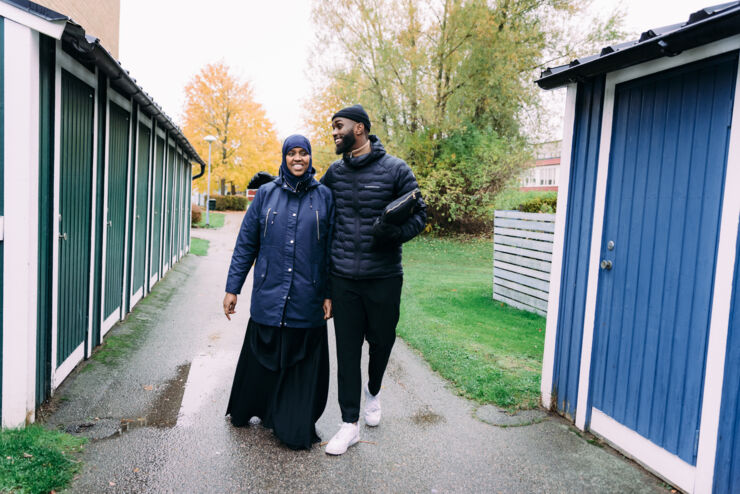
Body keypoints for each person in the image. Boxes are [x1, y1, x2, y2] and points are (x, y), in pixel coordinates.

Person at [321, 104, 427, 455]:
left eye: (340, 126)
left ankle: (374, 389)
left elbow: (420, 216)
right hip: (344, 279)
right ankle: (349, 424)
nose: (335, 132)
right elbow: (316, 210)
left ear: (360, 128)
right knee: (347, 352)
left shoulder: (396, 169)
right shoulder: (334, 174)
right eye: (333, 127)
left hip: (383, 277)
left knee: (382, 342)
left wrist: (391, 234)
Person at [223, 134, 334, 450]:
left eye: (304, 154)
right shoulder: (266, 195)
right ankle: (257, 407)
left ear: (311, 158)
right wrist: (233, 288)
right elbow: (246, 244)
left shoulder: (324, 197)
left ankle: (292, 419)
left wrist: (328, 293)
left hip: (307, 299)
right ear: (284, 158)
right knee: (264, 355)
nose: (298, 159)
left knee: (300, 361)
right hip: (269, 296)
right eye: (292, 154)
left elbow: (329, 250)